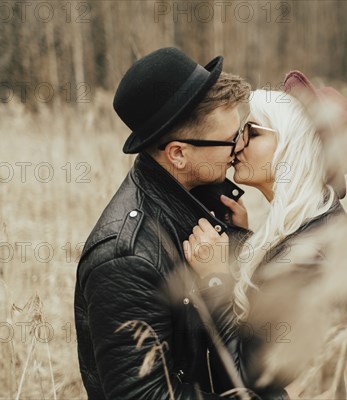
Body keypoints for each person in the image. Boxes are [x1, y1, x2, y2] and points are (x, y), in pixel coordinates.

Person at [74, 47, 252, 399]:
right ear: (178, 153)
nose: (239, 147)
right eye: (230, 139)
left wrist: (239, 241)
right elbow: (144, 395)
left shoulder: (204, 199)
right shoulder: (125, 258)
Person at [183, 71, 347, 398]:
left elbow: (247, 381)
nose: (236, 144)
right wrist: (243, 241)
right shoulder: (313, 225)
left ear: (291, 147)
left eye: (251, 132)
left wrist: (215, 280)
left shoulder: (311, 257)